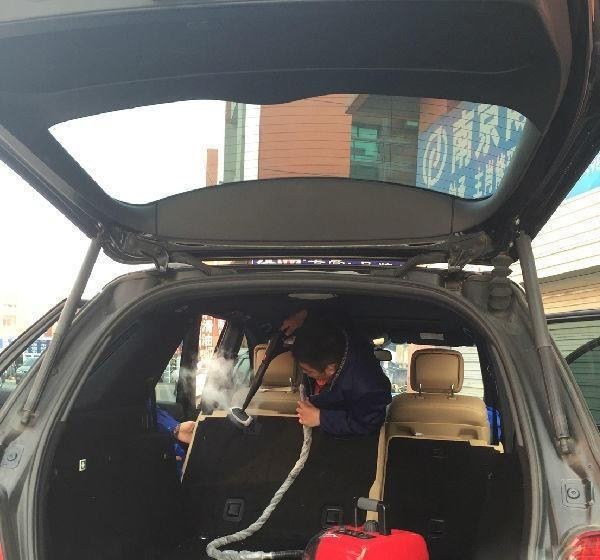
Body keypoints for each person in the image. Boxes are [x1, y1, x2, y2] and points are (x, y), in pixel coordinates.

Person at [282, 309, 391, 437]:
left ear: (330, 369)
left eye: (309, 371)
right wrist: (305, 315)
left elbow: (369, 423)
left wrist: (320, 418)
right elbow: (329, 306)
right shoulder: (338, 326)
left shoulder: (368, 386)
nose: (304, 373)